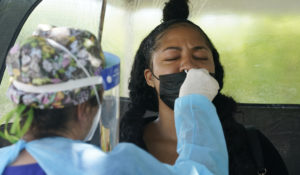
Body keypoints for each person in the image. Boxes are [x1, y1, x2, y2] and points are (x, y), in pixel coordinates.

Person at [0, 25, 228, 175]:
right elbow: (203, 171)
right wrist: (195, 105)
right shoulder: (112, 167)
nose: (188, 65)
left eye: (199, 56)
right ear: (82, 107)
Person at [120, 0, 289, 175]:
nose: (189, 65)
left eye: (200, 57)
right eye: (172, 58)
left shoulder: (254, 146)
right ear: (149, 77)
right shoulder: (119, 147)